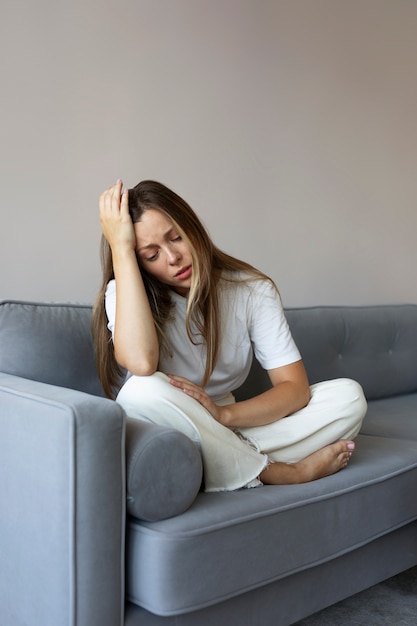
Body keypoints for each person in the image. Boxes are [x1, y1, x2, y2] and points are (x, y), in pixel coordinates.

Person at [91, 179, 367, 492]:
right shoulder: (125, 292)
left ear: (192, 226)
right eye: (151, 255)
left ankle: (222, 462)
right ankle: (278, 472)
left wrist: (223, 414)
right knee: (139, 391)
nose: (172, 257)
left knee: (349, 397)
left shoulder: (251, 289)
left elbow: (295, 389)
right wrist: (121, 249)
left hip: (232, 426)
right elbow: (141, 363)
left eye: (176, 237)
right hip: (170, 428)